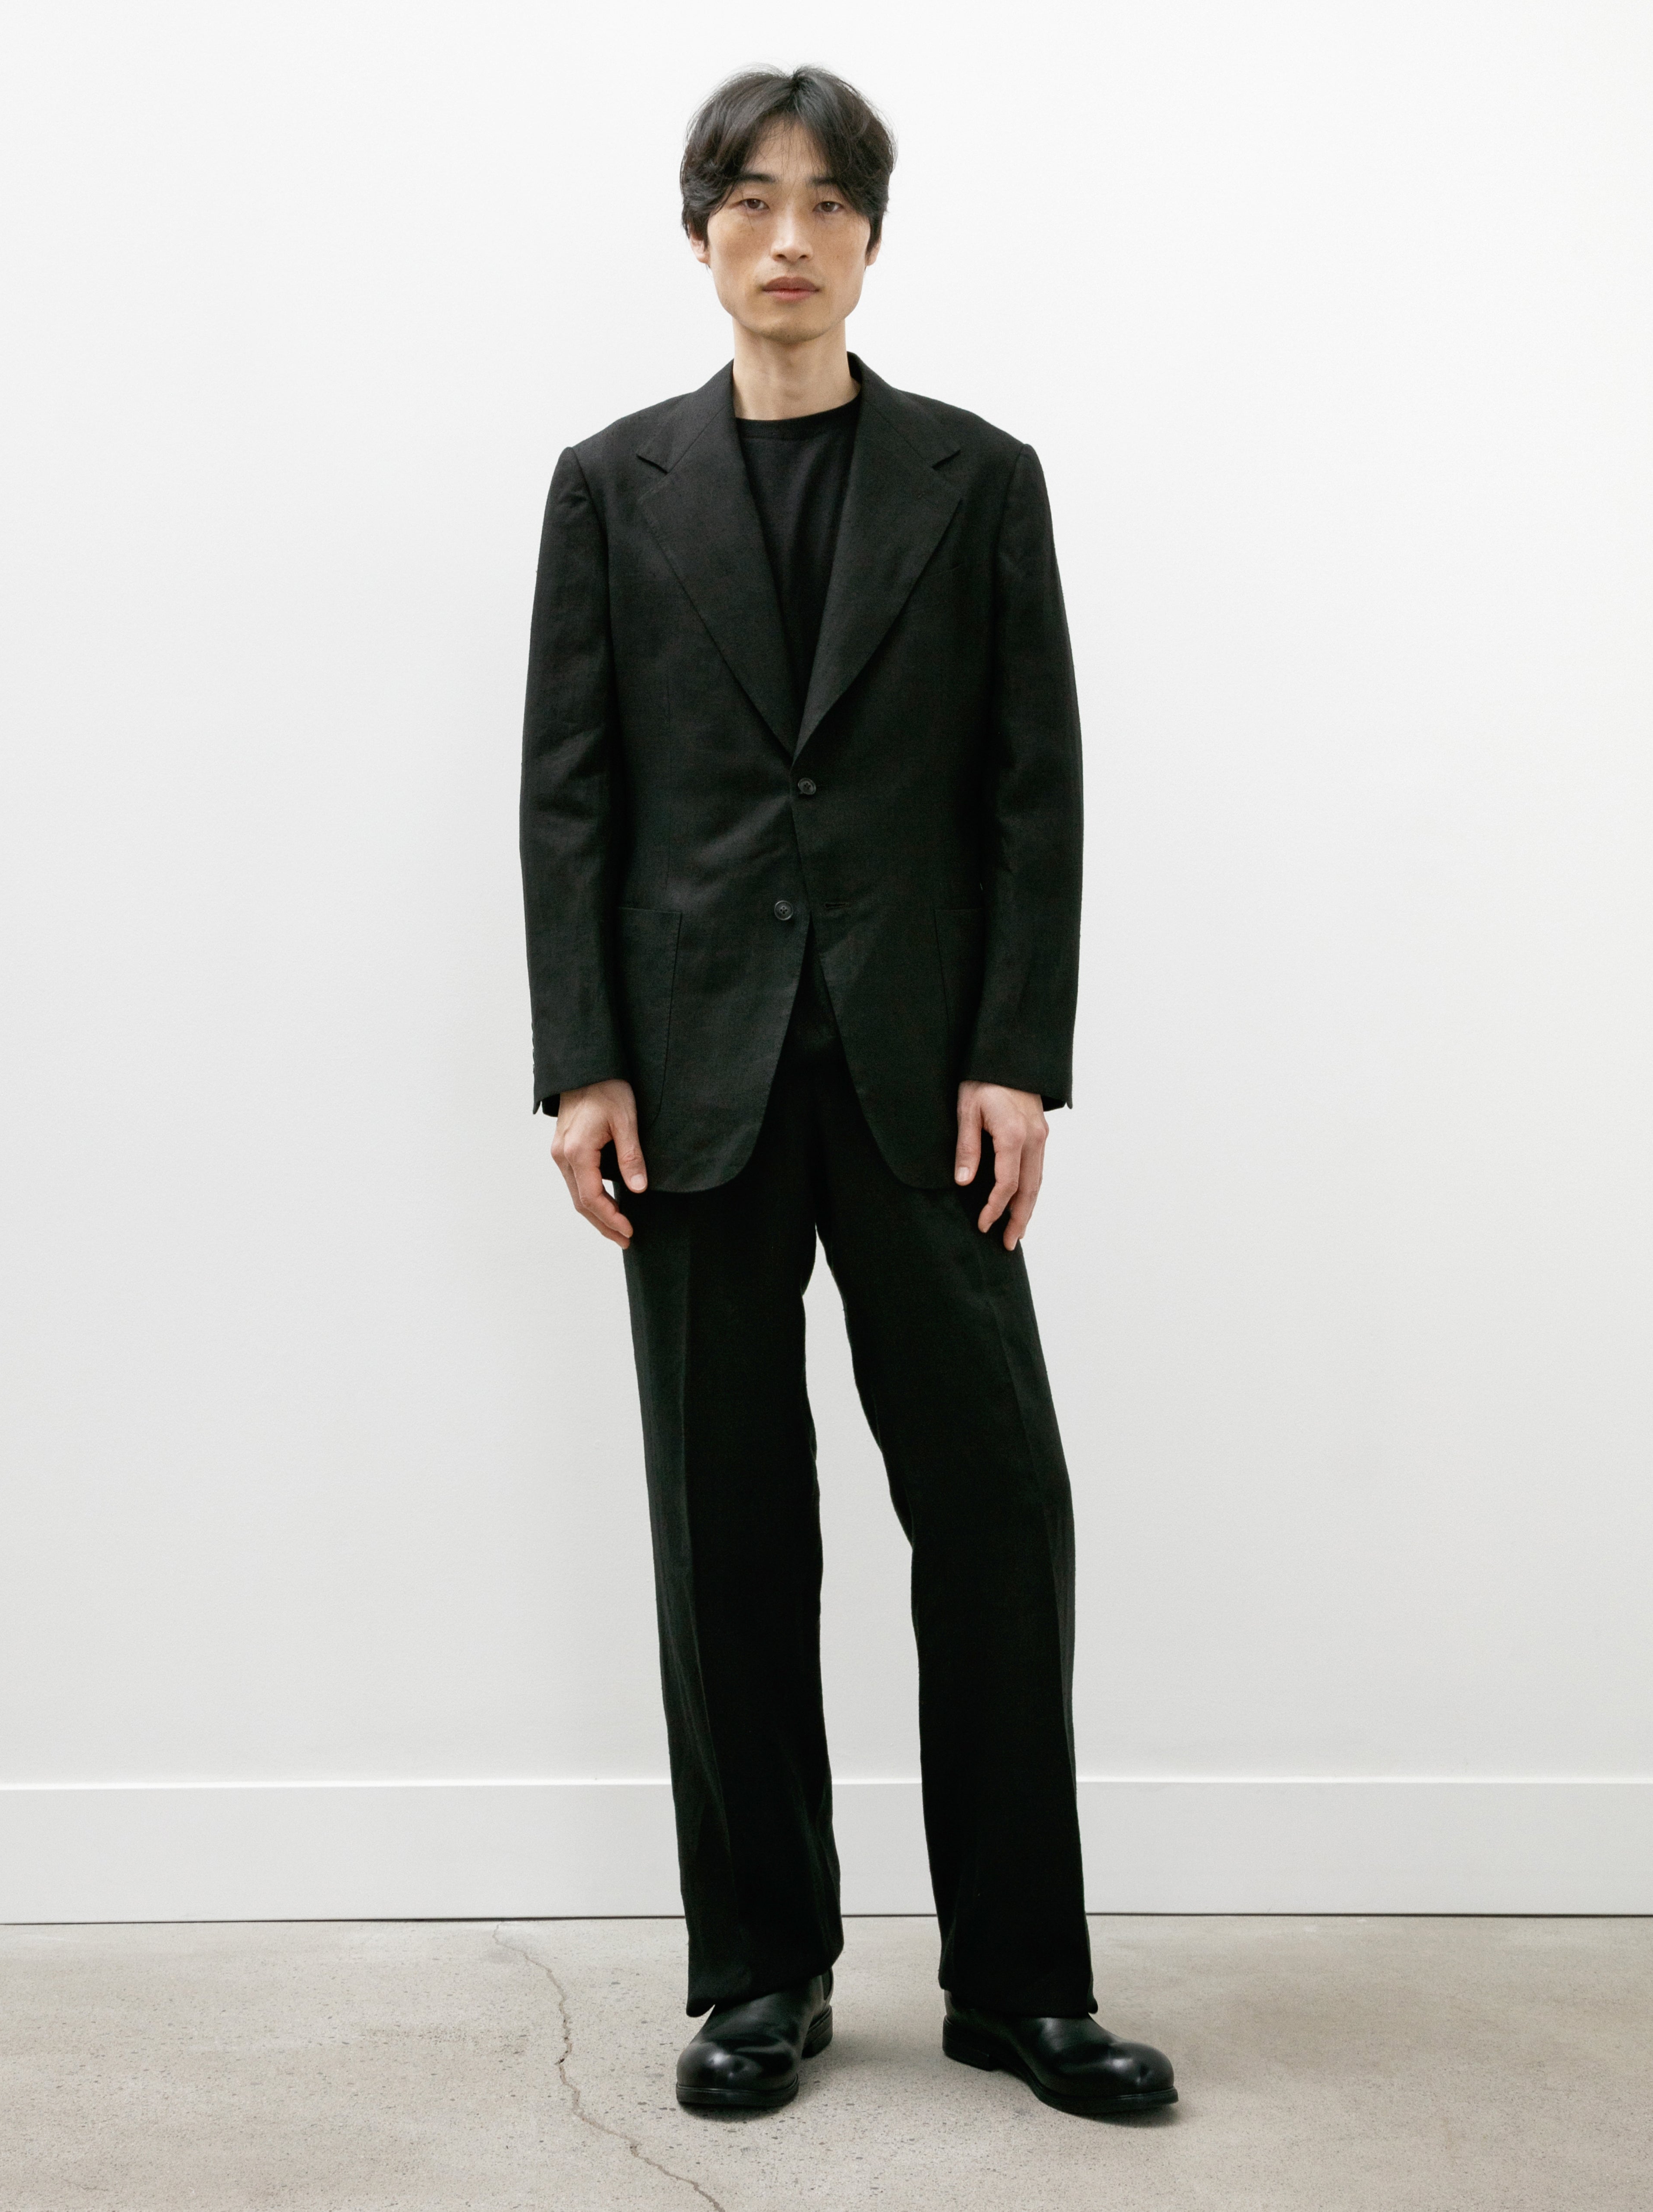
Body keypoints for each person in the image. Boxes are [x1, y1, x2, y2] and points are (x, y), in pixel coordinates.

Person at [520, 65, 1176, 2120]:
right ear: (701, 234)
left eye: (826, 203)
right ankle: (759, 1975)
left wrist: (1018, 1057)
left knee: (996, 1513)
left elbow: (1033, 789)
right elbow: (570, 798)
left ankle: (1022, 1983)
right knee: (726, 1534)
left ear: (873, 239)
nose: (787, 237)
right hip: (690, 1081)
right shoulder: (610, 486)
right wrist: (581, 1064)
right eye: (750, 200)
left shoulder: (978, 482)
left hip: (922, 1081)